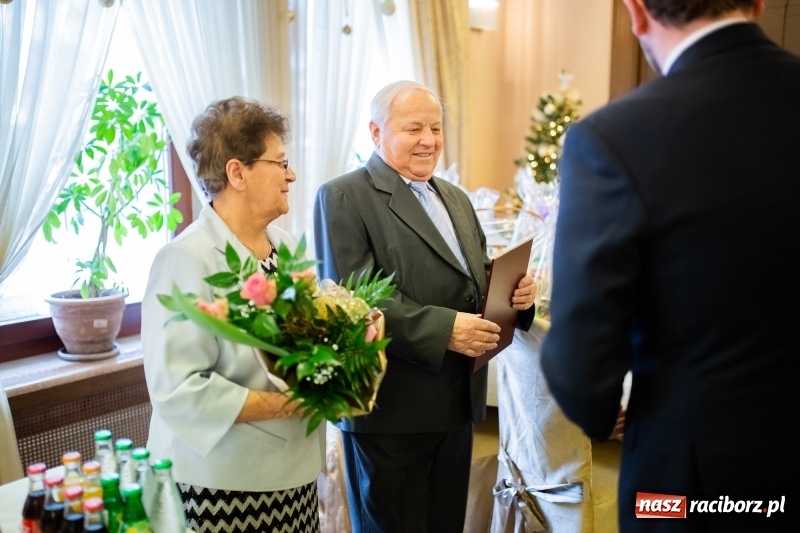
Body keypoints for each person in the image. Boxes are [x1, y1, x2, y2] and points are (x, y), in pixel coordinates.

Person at [540, 1, 798, 531]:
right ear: (757, 3)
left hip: (695, 481)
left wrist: (601, 410)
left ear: (637, 12)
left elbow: (580, 361)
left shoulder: (616, 137)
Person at [313, 80, 537, 532]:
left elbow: (473, 278)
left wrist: (516, 295)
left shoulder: (454, 196)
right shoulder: (343, 196)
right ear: (376, 133)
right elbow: (354, 297)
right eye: (414, 128)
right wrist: (444, 329)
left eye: (435, 128)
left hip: (456, 401)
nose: (429, 140)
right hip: (391, 410)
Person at [141, 96, 325, 533]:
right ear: (237, 172)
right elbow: (179, 390)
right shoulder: (186, 259)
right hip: (222, 487)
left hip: (295, 476)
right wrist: (288, 404)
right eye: (280, 163)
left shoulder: (287, 248)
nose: (291, 175)